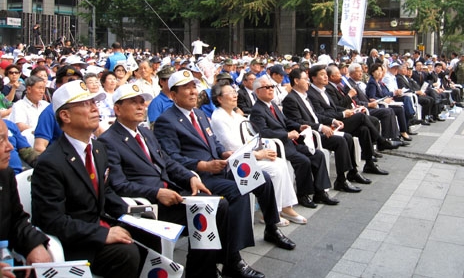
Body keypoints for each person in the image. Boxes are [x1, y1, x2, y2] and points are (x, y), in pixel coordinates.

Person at [154, 70, 295, 278]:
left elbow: (214, 142)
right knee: (237, 192)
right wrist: (202, 165)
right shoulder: (167, 121)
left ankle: (271, 227)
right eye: (186, 88)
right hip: (198, 178)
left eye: (194, 86)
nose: (193, 92)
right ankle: (233, 259)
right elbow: (171, 158)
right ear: (173, 95)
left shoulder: (201, 114)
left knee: (262, 179)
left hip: (219, 167)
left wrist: (224, 152)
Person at [98, 84, 230, 277]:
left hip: (171, 193)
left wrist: (190, 176)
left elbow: (166, 162)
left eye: (142, 102)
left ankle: (202, 270)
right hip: (149, 205)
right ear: (117, 109)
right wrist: (157, 193)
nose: (140, 107)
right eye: (133, 102)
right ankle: (203, 271)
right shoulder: (108, 141)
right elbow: (118, 185)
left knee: (219, 206)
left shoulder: (145, 133)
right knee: (213, 208)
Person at [31, 80, 147, 277]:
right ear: (65, 115)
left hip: (99, 225)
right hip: (76, 241)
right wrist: (102, 234)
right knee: (126, 253)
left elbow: (105, 191)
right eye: (86, 104)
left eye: (94, 102)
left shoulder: (98, 148)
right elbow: (51, 220)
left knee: (148, 234)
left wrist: (130, 213)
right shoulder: (51, 162)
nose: (95, 108)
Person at [210, 81, 307, 225]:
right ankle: (267, 212)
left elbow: (251, 137)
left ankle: (285, 207)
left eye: (235, 92)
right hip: (237, 162)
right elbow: (232, 145)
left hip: (250, 155)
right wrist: (258, 154)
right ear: (219, 98)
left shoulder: (236, 116)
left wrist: (260, 150)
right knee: (274, 169)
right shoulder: (218, 118)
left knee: (280, 163)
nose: (235, 95)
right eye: (230, 93)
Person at [250, 74, 340, 208]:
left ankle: (320, 192)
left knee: (318, 154)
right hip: (278, 146)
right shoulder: (257, 110)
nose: (271, 89)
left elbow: (285, 121)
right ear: (258, 91)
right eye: (267, 87)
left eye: (272, 86)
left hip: (290, 142)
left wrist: (299, 126)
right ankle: (303, 194)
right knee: (303, 160)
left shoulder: (272, 104)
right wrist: (286, 135)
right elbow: (263, 132)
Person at [282, 68, 369, 191]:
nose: (308, 82)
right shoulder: (290, 99)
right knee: (340, 141)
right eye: (305, 80)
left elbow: (315, 115)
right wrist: (321, 127)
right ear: (296, 81)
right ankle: (341, 180)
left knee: (348, 137)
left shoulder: (304, 96)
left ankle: (349, 173)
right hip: (308, 136)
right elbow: (298, 122)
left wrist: (332, 121)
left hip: (318, 130)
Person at [0, 120, 52, 278]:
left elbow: (17, 219)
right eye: (1, 140)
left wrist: (34, 244)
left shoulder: (5, 175)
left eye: (8, 138)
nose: (10, 147)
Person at [33, 65, 83, 153]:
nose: (74, 85)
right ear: (59, 85)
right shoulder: (50, 112)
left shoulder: (86, 107)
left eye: (77, 81)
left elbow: (99, 131)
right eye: (70, 81)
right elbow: (39, 147)